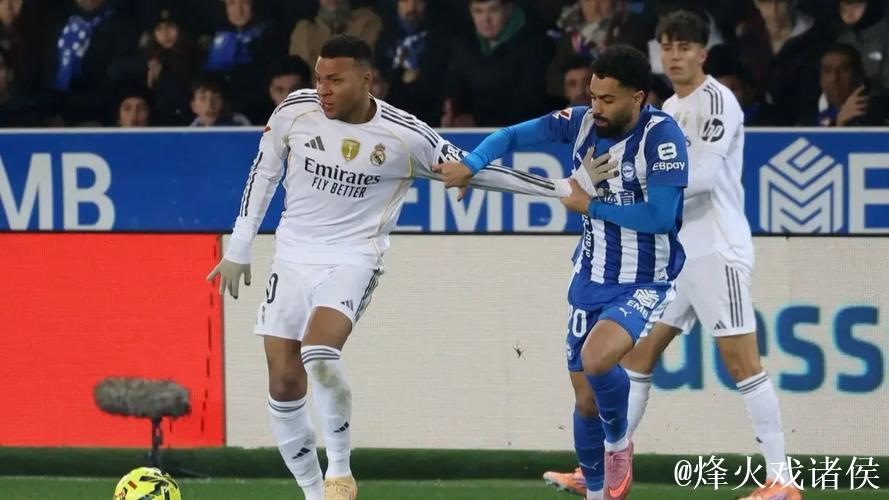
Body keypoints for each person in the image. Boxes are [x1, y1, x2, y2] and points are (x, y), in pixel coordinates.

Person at [207, 34, 602, 500]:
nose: (323, 89)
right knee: (283, 377)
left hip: (354, 256)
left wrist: (560, 188)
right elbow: (264, 171)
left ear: (366, 80)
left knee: (319, 353)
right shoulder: (294, 110)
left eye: (335, 80)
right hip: (293, 256)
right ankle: (314, 494)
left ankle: (339, 471)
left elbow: (470, 170)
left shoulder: (404, 135)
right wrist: (240, 245)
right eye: (318, 78)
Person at [542, 11, 802, 500]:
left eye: (685, 47)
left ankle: (782, 480)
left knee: (742, 362)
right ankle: (607, 467)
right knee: (636, 358)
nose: (675, 56)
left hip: (715, 249)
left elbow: (703, 177)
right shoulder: (668, 109)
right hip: (673, 257)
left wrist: (633, 191)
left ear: (703, 53)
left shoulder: (716, 101)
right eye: (667, 47)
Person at [437, 44, 689, 500]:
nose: (597, 107)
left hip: (644, 278)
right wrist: (472, 165)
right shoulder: (582, 122)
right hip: (589, 276)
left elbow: (660, 217)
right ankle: (595, 492)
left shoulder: (663, 137)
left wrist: (589, 204)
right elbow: (510, 136)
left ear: (638, 97)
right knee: (585, 401)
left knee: (598, 359)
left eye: (607, 99)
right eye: (593, 96)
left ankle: (619, 444)